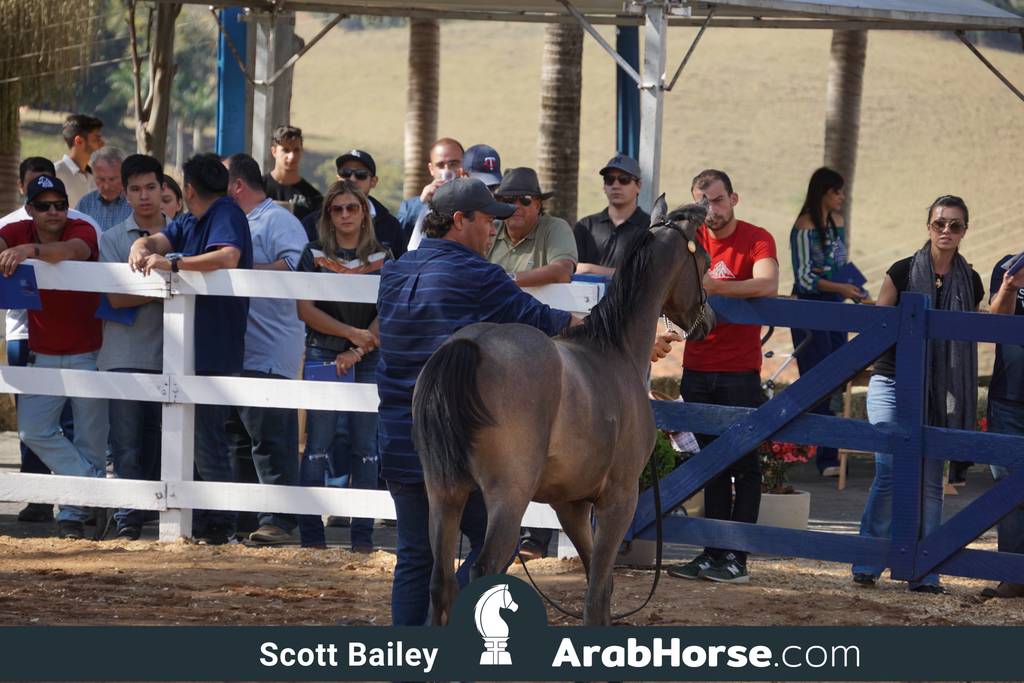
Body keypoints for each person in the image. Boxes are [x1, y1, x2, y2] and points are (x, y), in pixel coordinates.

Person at [376, 177, 576, 625]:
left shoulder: (395, 272)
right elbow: (538, 319)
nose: (493, 231)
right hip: (458, 441)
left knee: (415, 554)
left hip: (399, 435)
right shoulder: (477, 274)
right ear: (459, 221)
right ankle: (442, 635)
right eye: (486, 221)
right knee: (495, 546)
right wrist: (587, 325)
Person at [852, 194, 983, 594]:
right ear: (928, 226)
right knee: (891, 470)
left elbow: (967, 337)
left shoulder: (971, 280)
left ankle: (924, 569)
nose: (946, 231)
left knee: (929, 479)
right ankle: (869, 559)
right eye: (940, 223)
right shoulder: (903, 270)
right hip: (891, 381)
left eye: (955, 225)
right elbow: (878, 328)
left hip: (943, 391)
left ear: (964, 231)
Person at [129, 153, 254, 545]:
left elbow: (228, 256)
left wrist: (175, 264)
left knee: (208, 437)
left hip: (214, 345)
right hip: (194, 346)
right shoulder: (194, 218)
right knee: (194, 435)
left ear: (187, 189)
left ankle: (219, 522)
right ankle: (206, 518)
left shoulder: (225, 215)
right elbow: (161, 239)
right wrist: (143, 243)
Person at [666, 169, 779, 584]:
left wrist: (712, 287)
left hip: (739, 372)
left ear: (734, 198)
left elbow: (768, 282)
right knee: (709, 463)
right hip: (696, 368)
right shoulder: (690, 240)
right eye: (702, 202)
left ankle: (738, 559)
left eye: (716, 201)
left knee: (745, 465)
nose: (710, 210)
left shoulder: (756, 237)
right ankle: (713, 553)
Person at [0, 175, 108, 540]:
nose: (54, 212)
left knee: (92, 441)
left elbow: (75, 251)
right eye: (44, 205)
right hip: (42, 354)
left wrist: (28, 252)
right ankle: (95, 489)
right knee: (33, 431)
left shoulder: (81, 227)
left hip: (89, 353)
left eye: (59, 204)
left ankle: (72, 517)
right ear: (30, 208)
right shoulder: (15, 229)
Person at [296, 180, 388, 552]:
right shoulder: (312, 253)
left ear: (364, 212)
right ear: (328, 215)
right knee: (317, 444)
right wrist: (353, 335)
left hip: (367, 357)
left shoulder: (385, 256)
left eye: (353, 207)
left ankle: (362, 540)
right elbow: (305, 310)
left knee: (367, 448)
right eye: (338, 209)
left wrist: (357, 349)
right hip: (323, 351)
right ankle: (312, 540)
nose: (346, 215)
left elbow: (389, 311)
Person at [224, 153, 307, 546]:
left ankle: (279, 519)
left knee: (270, 437)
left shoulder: (278, 220)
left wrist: (236, 273)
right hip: (240, 350)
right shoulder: (236, 221)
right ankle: (247, 516)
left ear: (236, 184)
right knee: (242, 438)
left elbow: (295, 267)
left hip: (272, 349)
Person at [98, 154, 170, 540]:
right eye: (136, 189)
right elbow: (117, 298)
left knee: (163, 441)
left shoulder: (183, 233)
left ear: (163, 189)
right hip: (123, 356)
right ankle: (128, 518)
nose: (144, 196)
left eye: (151, 187)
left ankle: (157, 515)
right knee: (125, 444)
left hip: (172, 356)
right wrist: (168, 289)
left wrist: (144, 288)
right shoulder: (110, 239)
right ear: (125, 194)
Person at [789, 167, 864, 477]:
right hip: (809, 309)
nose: (842, 198)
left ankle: (821, 449)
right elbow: (805, 278)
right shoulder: (804, 226)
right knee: (818, 377)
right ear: (824, 192)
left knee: (836, 375)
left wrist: (859, 290)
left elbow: (840, 264)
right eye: (837, 192)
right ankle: (823, 456)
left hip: (835, 306)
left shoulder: (838, 223)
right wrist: (841, 287)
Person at [980, 254, 1024, 599]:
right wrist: (1010, 286)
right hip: (1009, 397)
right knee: (1009, 488)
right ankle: (1014, 575)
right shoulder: (1009, 265)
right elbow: (995, 324)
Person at [300, 149, 406, 258]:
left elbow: (401, 269)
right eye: (345, 173)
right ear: (338, 178)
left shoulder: (391, 226)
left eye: (361, 174)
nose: (352, 179)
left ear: (373, 181)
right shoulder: (312, 223)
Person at [487, 167, 577, 287]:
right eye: (509, 200)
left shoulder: (554, 227)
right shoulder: (491, 229)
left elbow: (562, 271)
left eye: (525, 200)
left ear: (538, 205)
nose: (517, 206)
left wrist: (507, 280)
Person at [573, 155, 650, 275]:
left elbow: (648, 275)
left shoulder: (650, 228)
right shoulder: (585, 226)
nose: (615, 185)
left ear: (638, 186)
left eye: (624, 179)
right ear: (604, 186)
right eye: (609, 179)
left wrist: (590, 269)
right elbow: (571, 268)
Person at [399, 137, 463, 250]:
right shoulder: (410, 207)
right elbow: (398, 237)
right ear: (431, 169)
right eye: (440, 165)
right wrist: (422, 203)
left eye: (453, 164)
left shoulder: (475, 202)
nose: (447, 171)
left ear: (463, 166)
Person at [262, 125, 323, 223]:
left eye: (296, 150)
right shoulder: (258, 188)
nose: (291, 156)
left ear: (302, 151)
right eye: (286, 150)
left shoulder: (313, 197)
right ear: (274, 151)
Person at [75, 147, 132, 232]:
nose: (106, 186)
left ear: (124, 175)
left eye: (112, 179)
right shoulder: (85, 204)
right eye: (101, 179)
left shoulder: (135, 203)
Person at [54, 114, 104, 207]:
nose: (102, 144)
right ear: (79, 141)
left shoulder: (95, 177)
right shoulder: (56, 174)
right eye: (97, 139)